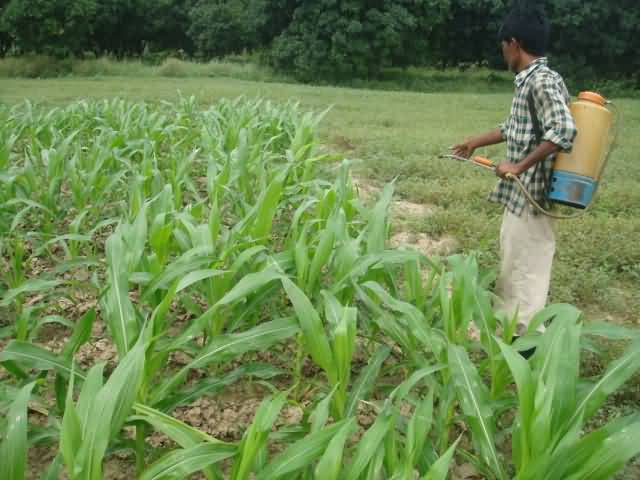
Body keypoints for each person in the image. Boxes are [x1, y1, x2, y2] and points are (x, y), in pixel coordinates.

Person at [452, 3, 577, 341]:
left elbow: (563, 130)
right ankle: (511, 332)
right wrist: (475, 141)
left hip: (532, 193)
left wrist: (519, 166)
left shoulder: (543, 81)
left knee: (527, 268)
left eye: (502, 46)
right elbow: (516, 126)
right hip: (520, 195)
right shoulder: (528, 81)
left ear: (513, 43)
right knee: (514, 261)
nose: (502, 53)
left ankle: (526, 343)